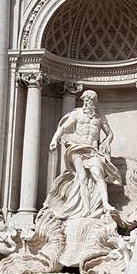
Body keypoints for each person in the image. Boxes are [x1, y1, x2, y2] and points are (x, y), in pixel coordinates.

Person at [48, 90, 122, 218]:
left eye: (92, 100)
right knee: (81, 178)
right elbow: (63, 128)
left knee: (98, 174)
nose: (90, 102)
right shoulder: (77, 114)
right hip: (77, 148)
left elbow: (110, 133)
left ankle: (105, 204)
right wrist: (54, 140)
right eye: (87, 100)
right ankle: (86, 209)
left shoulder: (100, 117)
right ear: (84, 100)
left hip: (93, 150)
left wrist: (106, 142)